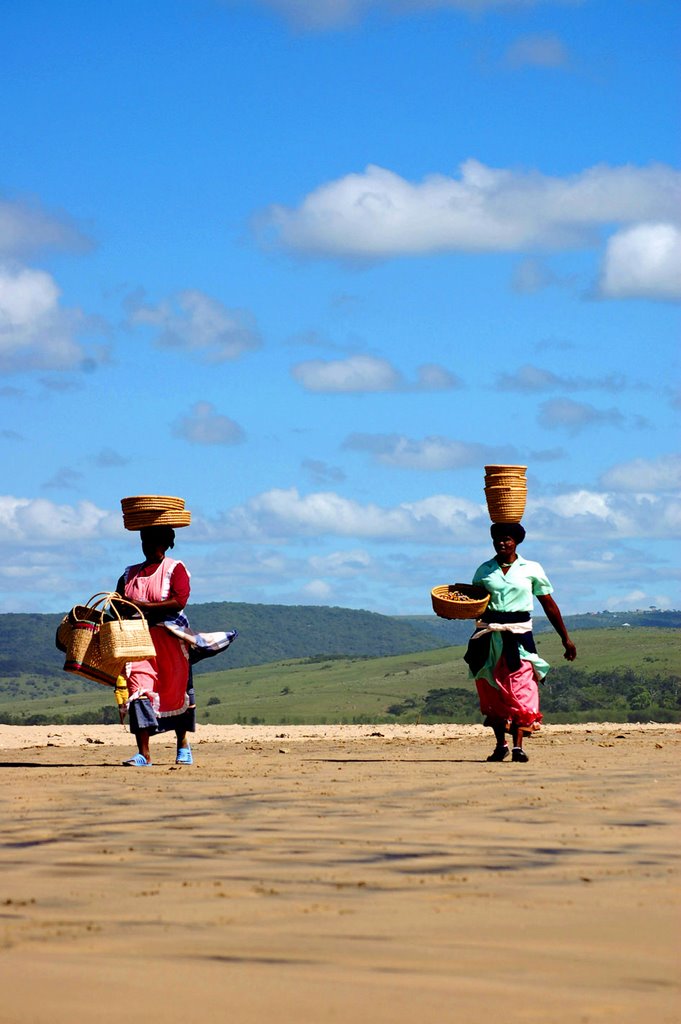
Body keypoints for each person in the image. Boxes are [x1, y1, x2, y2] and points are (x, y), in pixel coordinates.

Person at [464, 522, 576, 763]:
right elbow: (474, 603)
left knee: (522, 688)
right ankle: (500, 745)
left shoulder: (531, 568)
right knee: (491, 688)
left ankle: (518, 746)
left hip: (520, 636)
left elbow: (549, 604)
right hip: (489, 636)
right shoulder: (484, 570)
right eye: (498, 540)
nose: (502, 543)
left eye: (507, 539)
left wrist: (565, 638)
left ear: (516, 542)